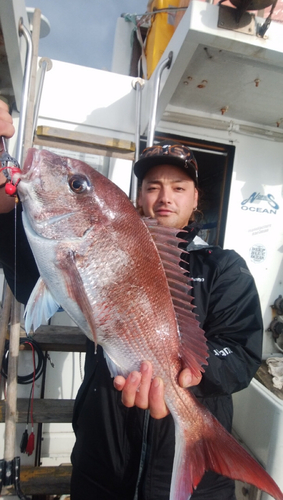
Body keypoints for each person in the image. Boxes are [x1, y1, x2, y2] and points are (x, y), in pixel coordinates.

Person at [0, 100, 263, 500]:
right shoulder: (110, 241)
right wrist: (4, 212)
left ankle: (200, 441)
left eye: (178, 187)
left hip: (199, 488)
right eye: (152, 186)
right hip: (102, 464)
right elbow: (29, 282)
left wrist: (185, 378)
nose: (164, 196)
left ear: (196, 200)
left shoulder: (224, 267)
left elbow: (241, 354)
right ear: (138, 197)